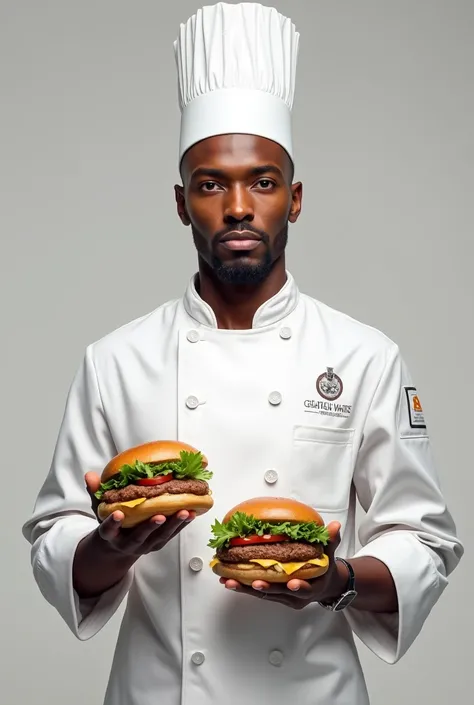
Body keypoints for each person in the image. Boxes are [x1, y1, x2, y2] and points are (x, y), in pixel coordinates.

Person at [22, 3, 463, 704]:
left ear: (295, 198)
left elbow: (426, 541)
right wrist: (108, 549)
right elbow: (55, 535)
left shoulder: (365, 355)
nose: (236, 206)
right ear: (180, 202)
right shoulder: (114, 358)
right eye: (209, 184)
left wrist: (337, 579)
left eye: (262, 181)